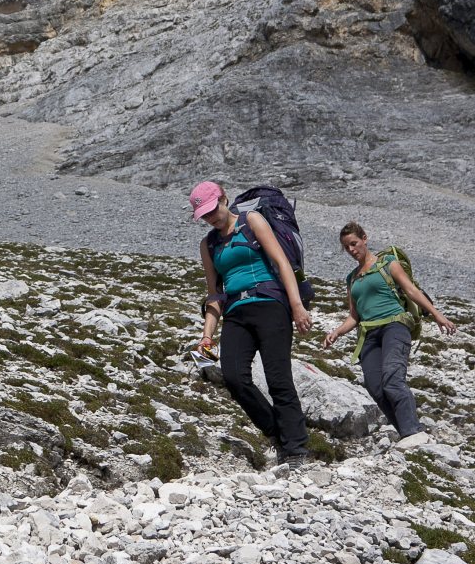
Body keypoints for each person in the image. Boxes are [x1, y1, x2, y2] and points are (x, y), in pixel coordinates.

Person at [191, 180, 314, 467]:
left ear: (223, 198)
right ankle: (276, 432)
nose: (210, 217)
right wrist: (207, 335)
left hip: (270, 304)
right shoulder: (207, 245)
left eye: (213, 209)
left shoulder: (252, 220)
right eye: (204, 215)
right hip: (235, 312)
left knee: (278, 378)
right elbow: (214, 293)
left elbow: (282, 263)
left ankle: (296, 450)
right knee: (233, 376)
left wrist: (296, 306)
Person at [322, 222, 457, 449]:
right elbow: (354, 316)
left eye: (354, 243)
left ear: (365, 238)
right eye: (347, 247)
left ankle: (414, 432)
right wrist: (336, 332)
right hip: (368, 334)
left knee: (392, 379)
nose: (352, 250)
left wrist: (437, 315)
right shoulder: (352, 278)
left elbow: (411, 291)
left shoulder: (388, 264)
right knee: (375, 387)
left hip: (395, 326)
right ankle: (407, 433)